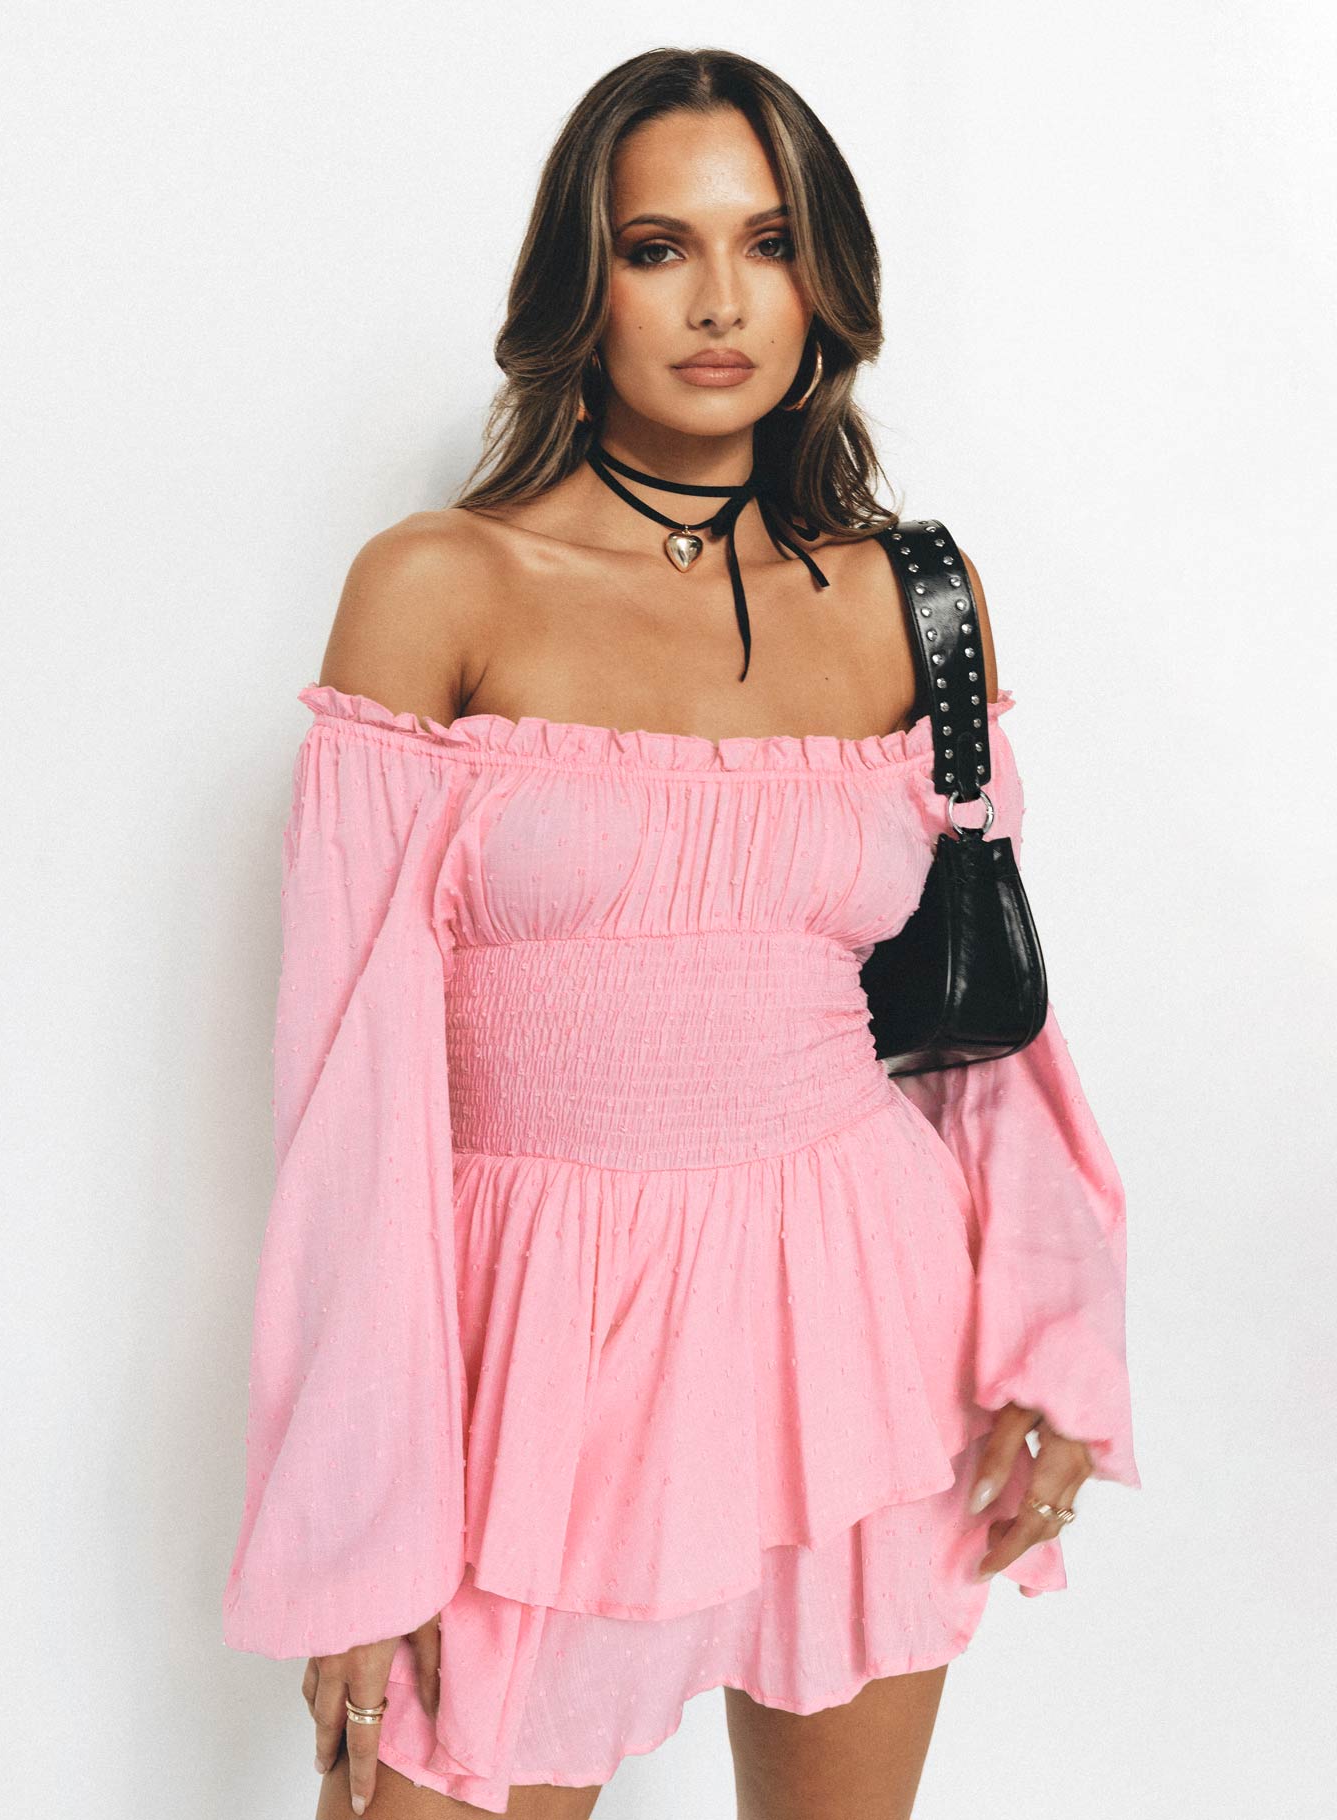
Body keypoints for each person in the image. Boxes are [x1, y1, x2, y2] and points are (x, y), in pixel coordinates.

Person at [222, 46, 1140, 1820]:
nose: (721, 301)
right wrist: (355, 1526)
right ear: (583, 283)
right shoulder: (439, 587)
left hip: (854, 1318)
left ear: (825, 279)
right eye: (660, 248)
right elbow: (350, 1099)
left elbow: (985, 1013)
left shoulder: (911, 598)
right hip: (526, 1353)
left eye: (768, 243)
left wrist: (1049, 1336)